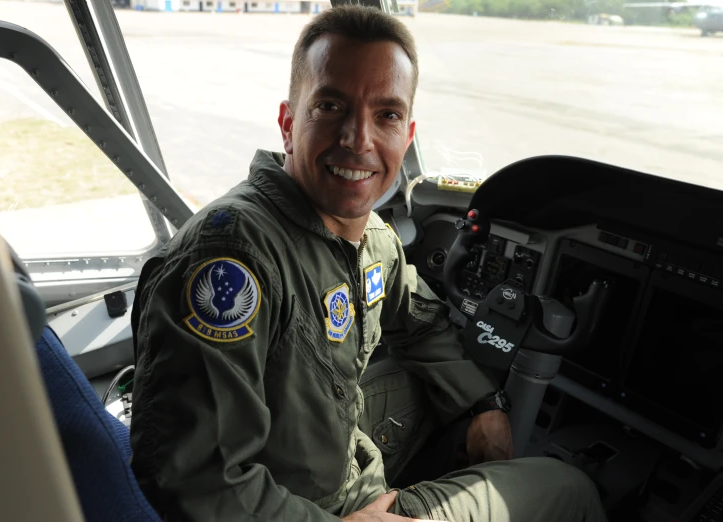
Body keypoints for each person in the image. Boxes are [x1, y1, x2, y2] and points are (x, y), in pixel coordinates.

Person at [129, 5, 608, 522]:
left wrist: (479, 406)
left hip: (341, 458)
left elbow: (420, 326)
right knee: (571, 485)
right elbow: (196, 479)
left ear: (407, 134)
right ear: (289, 125)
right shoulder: (233, 257)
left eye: (387, 115)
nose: (359, 139)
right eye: (331, 106)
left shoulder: (372, 238)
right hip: (315, 509)